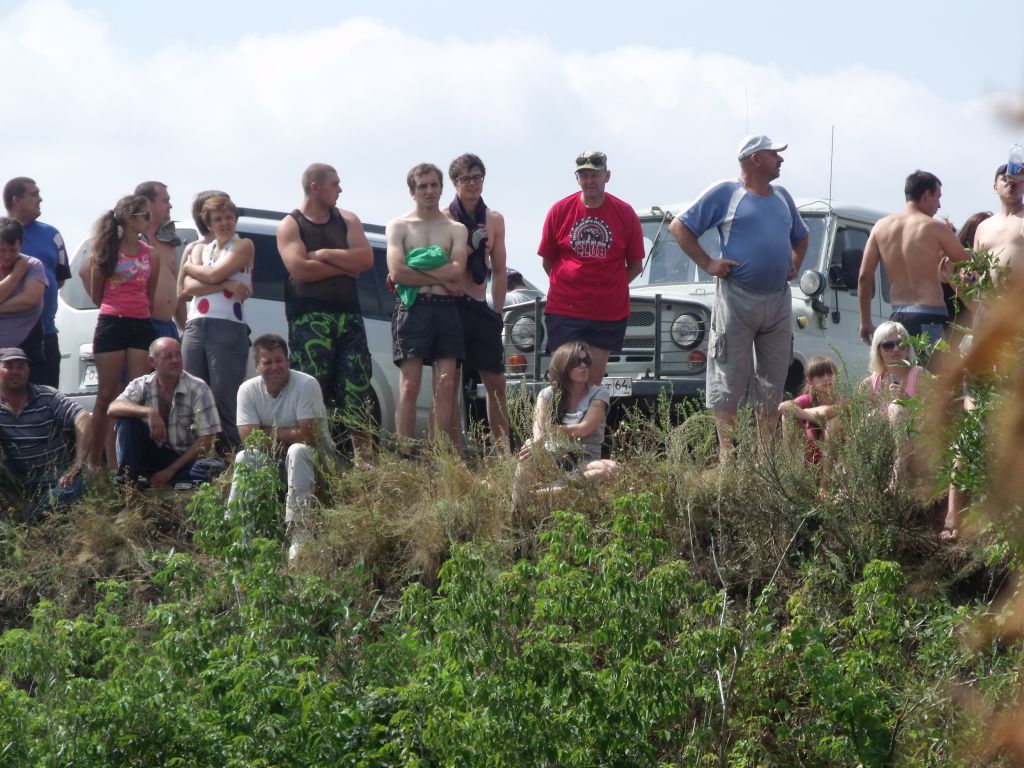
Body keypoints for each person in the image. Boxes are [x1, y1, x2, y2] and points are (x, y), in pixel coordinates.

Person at [669, 135, 809, 461]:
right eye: (775, 154)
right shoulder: (726, 193)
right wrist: (708, 263)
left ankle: (764, 460)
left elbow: (802, 237)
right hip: (737, 298)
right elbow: (679, 227)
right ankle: (728, 459)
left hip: (778, 299)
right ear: (755, 158)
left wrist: (795, 262)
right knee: (728, 379)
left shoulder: (783, 197)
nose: (781, 160)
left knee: (773, 380)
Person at [277, 163, 374, 466]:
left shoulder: (348, 220)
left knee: (357, 387)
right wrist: (346, 266)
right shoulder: (291, 225)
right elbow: (300, 270)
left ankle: (364, 462)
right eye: (335, 183)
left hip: (349, 318)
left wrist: (324, 254)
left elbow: (365, 259)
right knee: (311, 387)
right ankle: (314, 459)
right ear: (315, 187)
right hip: (308, 319)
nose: (340, 189)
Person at [538, 150, 644, 386]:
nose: (589, 181)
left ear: (607, 176)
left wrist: (610, 286)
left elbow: (636, 265)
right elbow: (547, 260)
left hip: (607, 312)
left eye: (595, 175)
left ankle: (592, 413)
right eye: (584, 175)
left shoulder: (625, 213)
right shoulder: (559, 210)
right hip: (565, 309)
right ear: (577, 178)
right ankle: (556, 413)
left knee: (592, 382)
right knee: (562, 381)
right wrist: (568, 283)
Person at [229, 333, 332, 561]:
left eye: (279, 360)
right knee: (245, 456)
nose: (275, 367)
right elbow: (249, 438)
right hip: (272, 463)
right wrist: (290, 432)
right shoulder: (247, 390)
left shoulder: (306, 384)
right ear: (257, 366)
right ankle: (241, 537)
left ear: (288, 361)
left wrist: (268, 430)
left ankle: (299, 535)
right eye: (267, 362)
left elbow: (309, 437)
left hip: (318, 462)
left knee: (298, 451)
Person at [385, 163, 467, 450]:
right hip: (412, 307)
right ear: (413, 191)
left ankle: (437, 454)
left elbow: (458, 271)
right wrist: (442, 277)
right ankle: (405, 451)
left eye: (434, 185)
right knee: (410, 384)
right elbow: (397, 272)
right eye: (423, 186)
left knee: (446, 384)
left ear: (442, 188)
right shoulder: (399, 226)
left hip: (446, 308)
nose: (429, 191)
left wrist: (419, 271)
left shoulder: (456, 229)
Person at [80, 194, 158, 466]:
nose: (149, 220)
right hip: (112, 322)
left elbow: (149, 294)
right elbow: (96, 294)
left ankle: (132, 463)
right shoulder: (106, 250)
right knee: (105, 394)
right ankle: (95, 463)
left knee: (137, 394)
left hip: (140, 323)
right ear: (129, 219)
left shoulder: (151, 254)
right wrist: (117, 307)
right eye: (145, 215)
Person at [857, 171, 968, 353]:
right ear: (926, 195)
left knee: (901, 370)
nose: (939, 205)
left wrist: (865, 321)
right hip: (930, 317)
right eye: (938, 197)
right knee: (932, 371)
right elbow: (968, 263)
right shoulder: (936, 228)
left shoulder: (880, 227)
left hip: (898, 317)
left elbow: (864, 276)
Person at [444, 153, 510, 453]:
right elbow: (440, 263)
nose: (472, 184)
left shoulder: (494, 219)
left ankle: (503, 450)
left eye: (477, 177)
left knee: (496, 382)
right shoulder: (444, 218)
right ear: (455, 182)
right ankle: (455, 452)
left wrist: (498, 310)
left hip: (480, 305)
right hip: (451, 306)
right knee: (451, 382)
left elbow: (500, 269)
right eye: (466, 178)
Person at [179, 194, 253, 450]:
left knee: (224, 398)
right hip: (196, 324)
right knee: (193, 395)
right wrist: (225, 285)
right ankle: (198, 459)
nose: (225, 223)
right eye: (218, 219)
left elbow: (212, 274)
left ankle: (232, 458)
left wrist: (190, 269)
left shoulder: (243, 245)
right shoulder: (203, 249)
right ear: (209, 224)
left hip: (227, 324)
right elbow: (185, 289)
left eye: (229, 217)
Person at [107, 337, 223, 488]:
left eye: (178, 355)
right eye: (168, 356)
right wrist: (148, 412)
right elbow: (113, 408)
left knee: (214, 469)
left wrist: (170, 471)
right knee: (127, 421)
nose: (175, 360)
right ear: (152, 361)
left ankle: (155, 480)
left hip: (181, 459)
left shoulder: (198, 388)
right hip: (149, 454)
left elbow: (206, 439)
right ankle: (127, 484)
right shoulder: (141, 384)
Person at [514, 341, 616, 501]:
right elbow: (539, 428)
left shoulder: (599, 394)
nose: (584, 365)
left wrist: (550, 429)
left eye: (587, 360)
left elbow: (584, 429)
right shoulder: (547, 394)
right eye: (577, 362)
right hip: (554, 457)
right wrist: (537, 441)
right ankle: (517, 503)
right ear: (563, 366)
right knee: (530, 444)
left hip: (585, 460)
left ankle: (538, 495)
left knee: (611, 469)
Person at [0, 347, 91, 521]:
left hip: (56, 474)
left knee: (74, 488)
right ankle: (36, 515)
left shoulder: (47, 396)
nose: (15, 371)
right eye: (8, 366)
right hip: (15, 478)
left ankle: (27, 518)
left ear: (28, 371)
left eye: (21, 366)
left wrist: (78, 464)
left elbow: (83, 417)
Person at [3, 177, 70, 387]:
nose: (40, 199)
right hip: (4, 337)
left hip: (44, 334)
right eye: (34, 194)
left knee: (45, 397)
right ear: (16, 200)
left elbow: (58, 279)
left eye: (13, 250)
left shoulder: (52, 235)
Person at [862, 321, 928, 486]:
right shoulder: (871, 382)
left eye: (901, 343)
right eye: (888, 345)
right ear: (878, 350)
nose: (896, 349)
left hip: (918, 445)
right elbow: (858, 418)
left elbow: (937, 411)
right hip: (883, 445)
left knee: (897, 408)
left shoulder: (919, 375)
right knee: (870, 417)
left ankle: (897, 481)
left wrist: (906, 399)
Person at [0, 218, 48, 381]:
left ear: (21, 245)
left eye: (12, 250)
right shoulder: (22, 268)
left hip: (28, 345)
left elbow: (30, 299)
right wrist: (16, 274)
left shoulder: (33, 265)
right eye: (2, 250)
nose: (7, 256)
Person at [134, 181, 182, 339]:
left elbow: (178, 292)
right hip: (142, 325)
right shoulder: (130, 243)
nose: (170, 206)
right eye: (165, 201)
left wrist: (184, 330)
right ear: (147, 204)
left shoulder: (169, 244)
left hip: (168, 328)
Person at [778, 354, 841, 467]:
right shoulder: (807, 399)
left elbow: (826, 412)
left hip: (834, 457)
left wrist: (805, 413)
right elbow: (783, 407)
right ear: (810, 381)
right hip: (809, 452)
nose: (827, 378)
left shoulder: (842, 401)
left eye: (830, 373)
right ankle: (793, 468)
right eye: (820, 375)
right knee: (787, 417)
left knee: (833, 422)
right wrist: (811, 416)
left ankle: (828, 476)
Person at [974, 164, 1024, 283]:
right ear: (995, 187)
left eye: (1016, 179)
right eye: (1005, 179)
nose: (1012, 182)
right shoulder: (983, 227)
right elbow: (976, 268)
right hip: (990, 294)